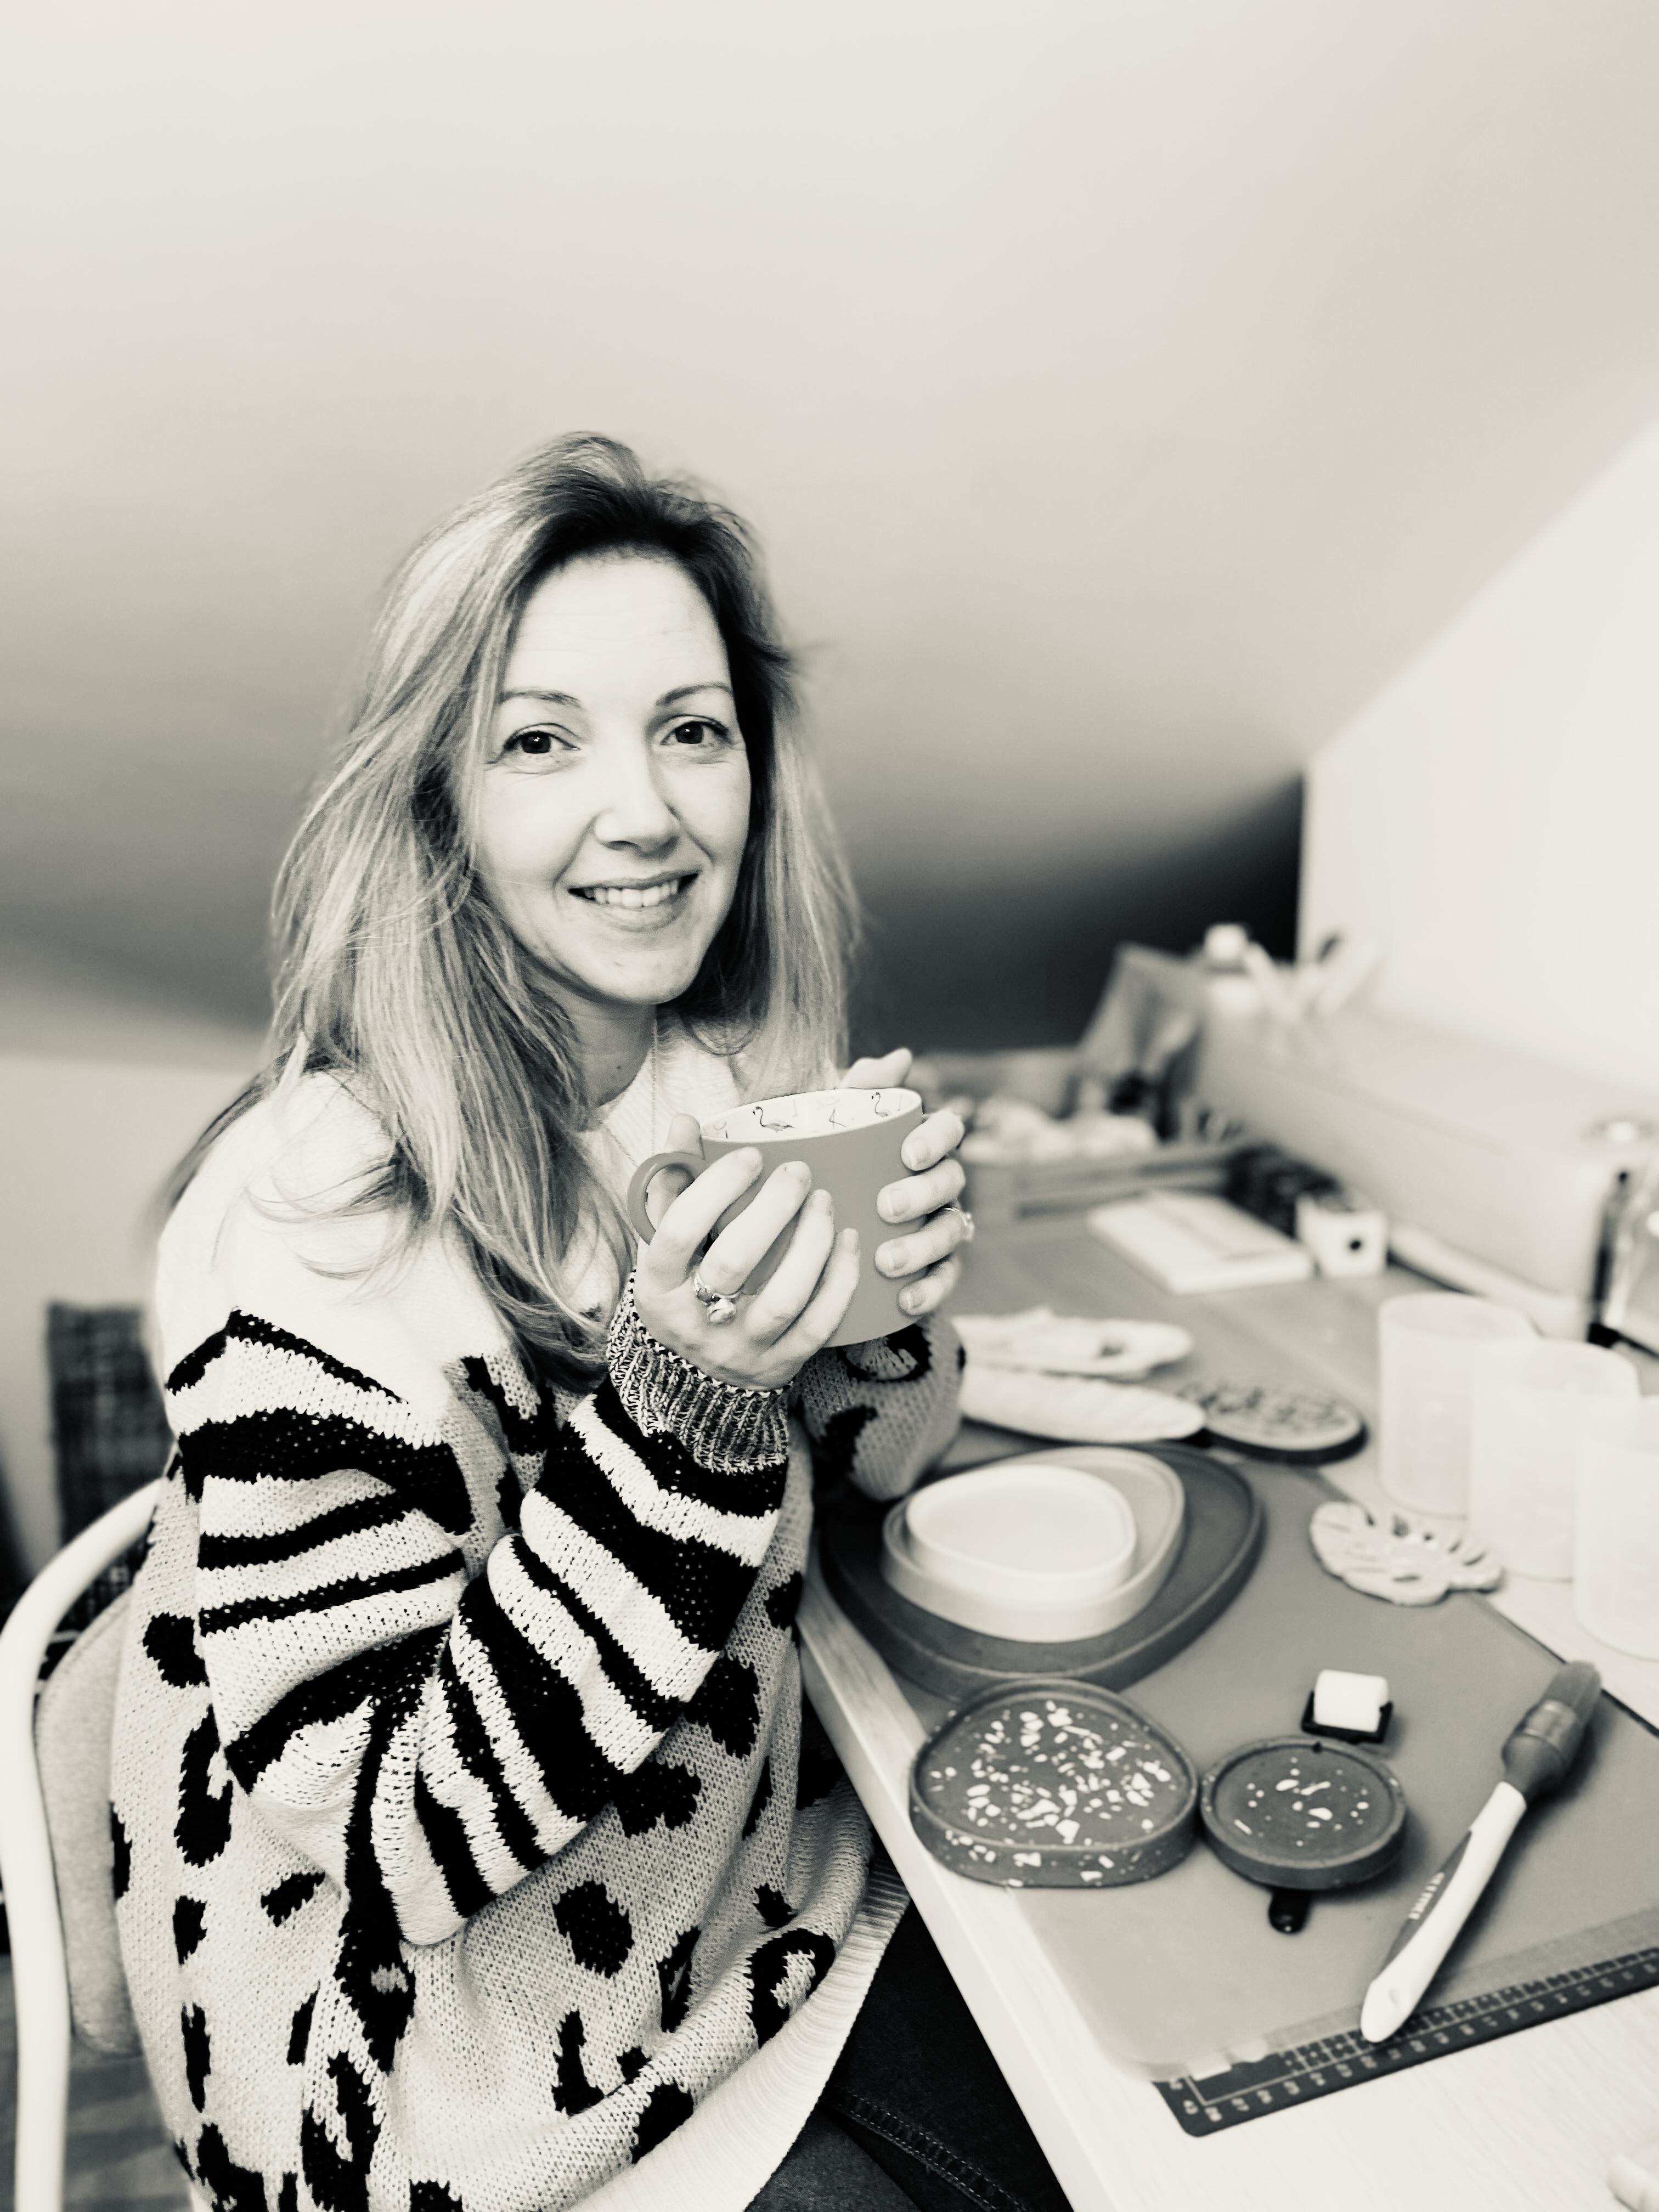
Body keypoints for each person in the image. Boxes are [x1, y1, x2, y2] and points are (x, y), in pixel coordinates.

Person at [110, 436, 1065, 2212]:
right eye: (541, 740)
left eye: (691, 729)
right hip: (463, 2092)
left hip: (764, 1902)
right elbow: (396, 1831)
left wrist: (876, 1316)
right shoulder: (309, 1210)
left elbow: (862, 1478)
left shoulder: (706, 1079)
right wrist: (692, 1394)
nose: (648, 814)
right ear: (436, 796)